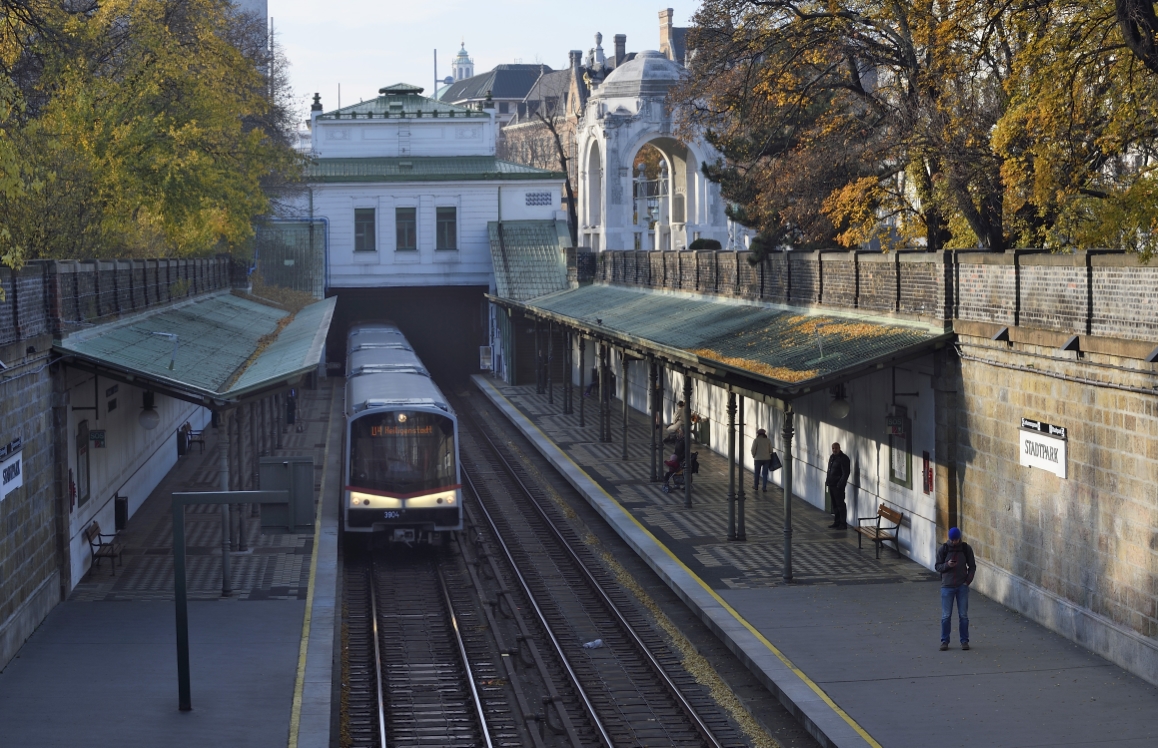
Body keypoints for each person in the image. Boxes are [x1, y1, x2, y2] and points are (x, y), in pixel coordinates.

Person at [935, 527, 976, 650]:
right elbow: (937, 566)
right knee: (946, 616)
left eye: (956, 539)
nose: (954, 542)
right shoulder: (943, 549)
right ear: (949, 539)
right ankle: (944, 641)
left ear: (959, 538)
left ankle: (964, 641)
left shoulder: (965, 548)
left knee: (963, 615)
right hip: (947, 586)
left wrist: (967, 581)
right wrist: (947, 565)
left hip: (961, 586)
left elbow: (972, 566)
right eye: (952, 540)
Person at [826, 442, 851, 529]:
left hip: (838, 486)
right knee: (834, 504)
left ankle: (843, 523)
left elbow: (845, 473)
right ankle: (836, 522)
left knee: (840, 505)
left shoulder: (844, 458)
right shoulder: (832, 457)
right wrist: (827, 481)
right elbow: (829, 469)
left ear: (839, 448)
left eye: (836, 448)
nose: (834, 450)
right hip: (831, 484)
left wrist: (840, 484)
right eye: (833, 448)